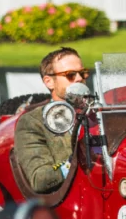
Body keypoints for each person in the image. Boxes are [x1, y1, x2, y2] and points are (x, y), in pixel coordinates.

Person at [14, 47, 87, 194]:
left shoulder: (98, 113)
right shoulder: (33, 122)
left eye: (83, 73)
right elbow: (39, 179)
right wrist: (78, 161)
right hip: (71, 201)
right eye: (70, 75)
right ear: (49, 82)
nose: (79, 79)